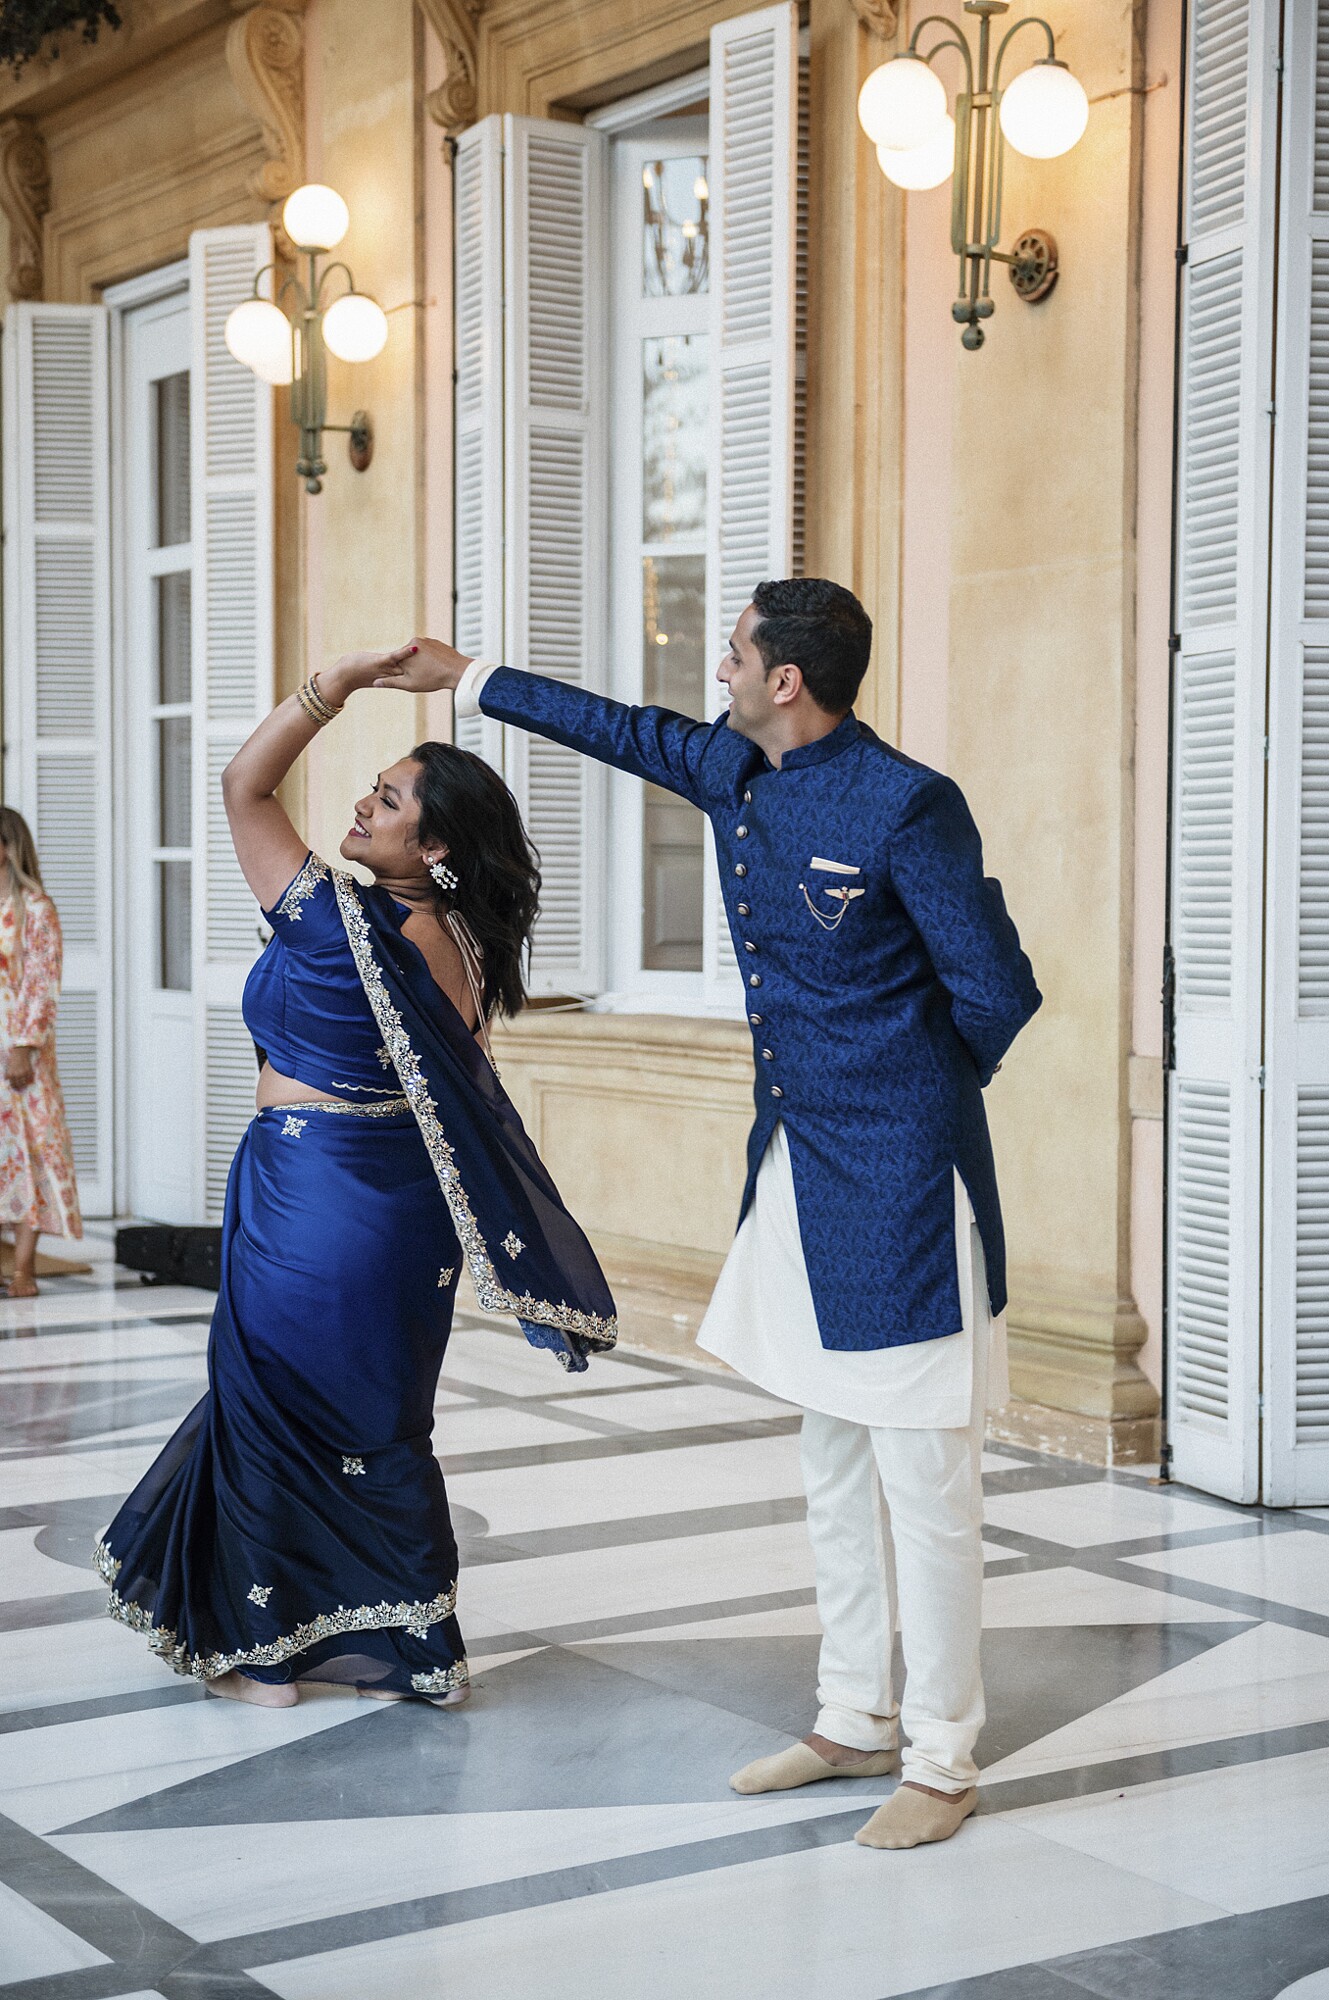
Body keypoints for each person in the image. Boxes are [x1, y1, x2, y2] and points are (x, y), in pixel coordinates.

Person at [382, 579, 1041, 1846]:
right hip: (793, 1165)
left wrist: (904, 1098)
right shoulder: (736, 770)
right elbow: (620, 729)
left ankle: (944, 1758)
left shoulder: (908, 802)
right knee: (833, 1454)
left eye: (735, 653)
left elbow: (997, 990)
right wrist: (469, 676)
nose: (720, 671)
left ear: (787, 677)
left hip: (902, 1182)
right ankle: (852, 1716)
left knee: (925, 1471)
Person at [95, 649, 617, 1709]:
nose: (361, 806)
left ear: (432, 845)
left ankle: (260, 1653)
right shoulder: (469, 943)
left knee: (268, 1412)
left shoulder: (335, 917)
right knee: (379, 1424)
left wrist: (333, 683)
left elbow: (243, 784)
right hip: (402, 1214)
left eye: (387, 800)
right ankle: (418, 1650)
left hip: (309, 1192)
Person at [0, 807, 82, 1299]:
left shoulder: (35, 908)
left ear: (7, 846)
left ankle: (24, 1269)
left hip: (17, 1050)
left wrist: (25, 1047)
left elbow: (41, 983)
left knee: (30, 1150)